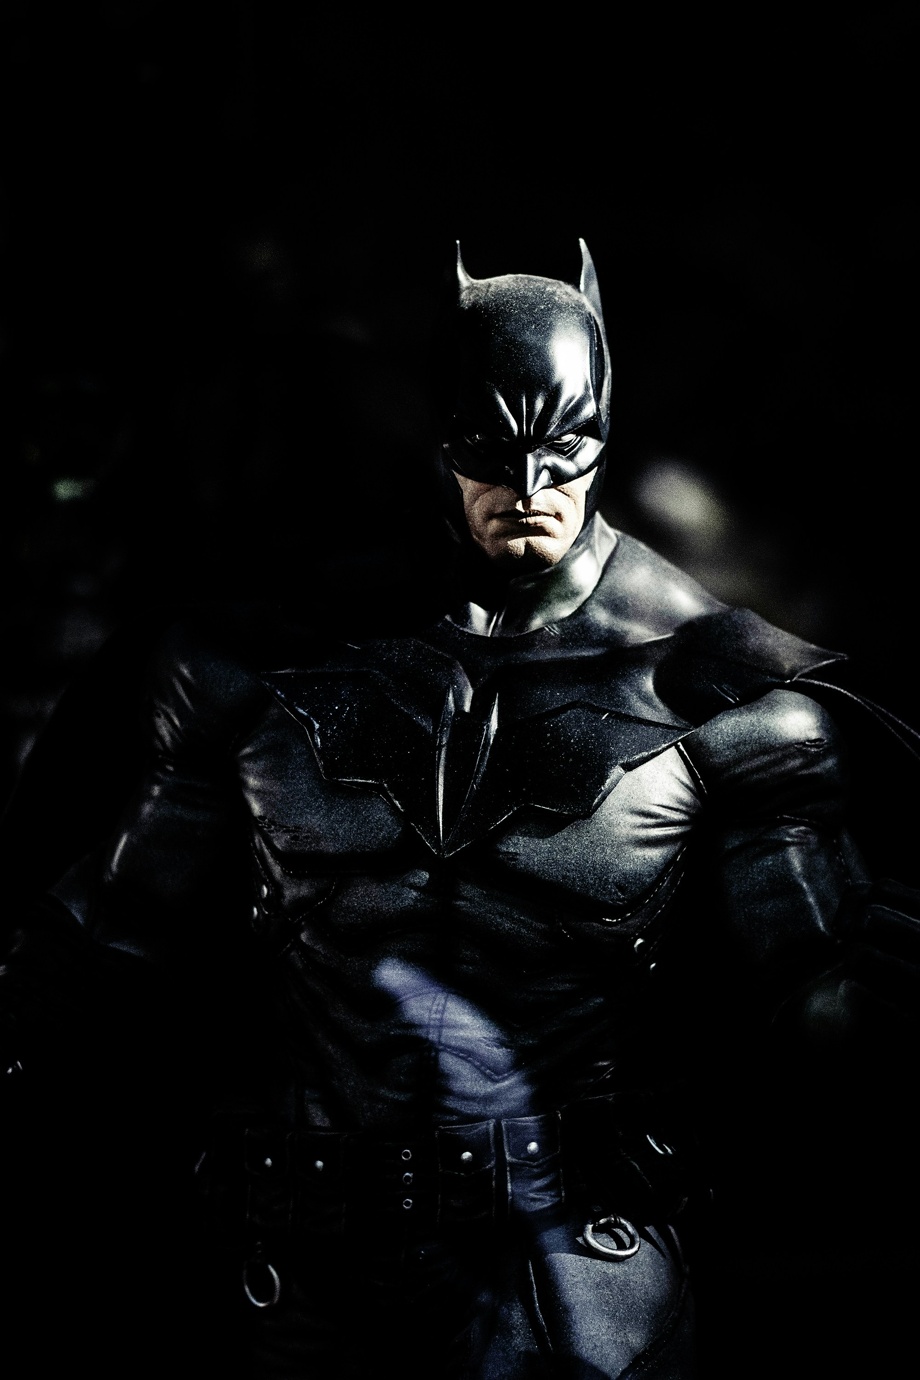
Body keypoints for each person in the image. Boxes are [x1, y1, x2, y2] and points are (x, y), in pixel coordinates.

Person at [2, 241, 918, 1378]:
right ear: (440, 437)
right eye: (492, 448)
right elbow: (110, 941)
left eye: (564, 446)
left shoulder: (724, 700)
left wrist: (878, 992)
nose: (529, 487)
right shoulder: (257, 669)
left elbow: (815, 1009)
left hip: (576, 1282)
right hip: (300, 1278)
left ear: (605, 430)